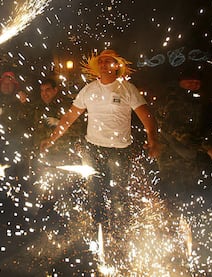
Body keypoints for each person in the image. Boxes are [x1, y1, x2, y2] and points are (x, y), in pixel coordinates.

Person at [40, 49, 160, 225]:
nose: (104, 64)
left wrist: (153, 139)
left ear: (116, 65)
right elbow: (69, 118)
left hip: (120, 150)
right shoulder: (89, 90)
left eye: (108, 61)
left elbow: (146, 116)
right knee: (94, 193)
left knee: (119, 194)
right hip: (93, 149)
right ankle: (100, 230)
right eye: (101, 61)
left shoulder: (127, 89)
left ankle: (120, 231)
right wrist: (52, 139)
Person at [155, 67, 212, 200]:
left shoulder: (193, 100)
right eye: (189, 81)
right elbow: (178, 130)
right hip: (173, 159)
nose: (193, 84)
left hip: (188, 157)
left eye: (196, 82)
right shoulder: (173, 100)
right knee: (173, 197)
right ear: (180, 82)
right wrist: (208, 148)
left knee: (188, 198)